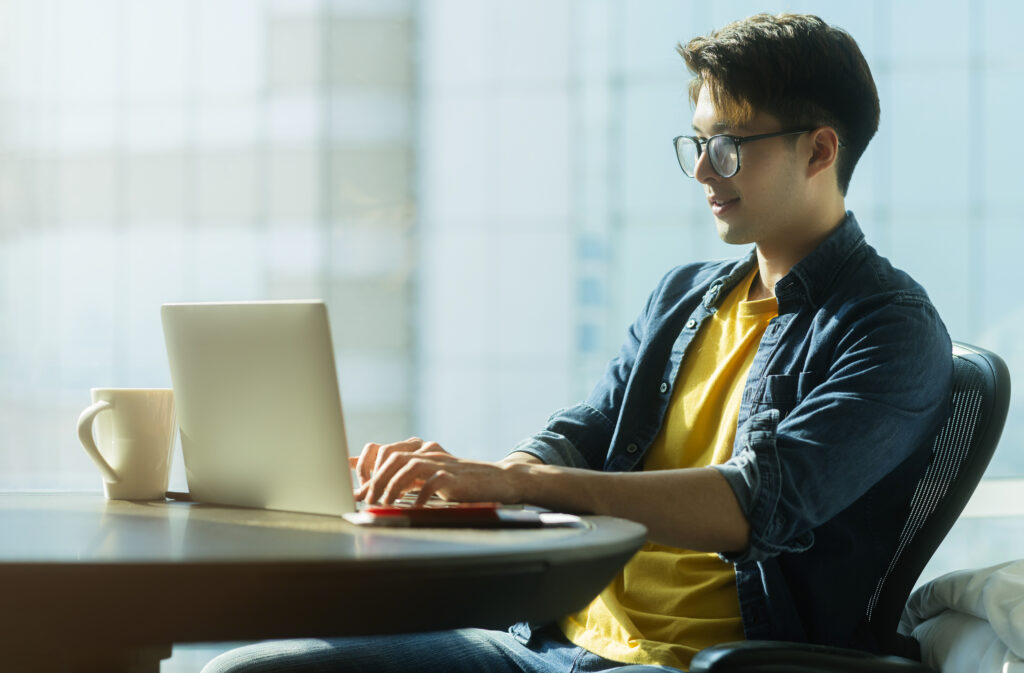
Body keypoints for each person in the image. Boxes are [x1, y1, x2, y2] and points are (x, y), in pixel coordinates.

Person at [203, 12, 951, 673]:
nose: (700, 169)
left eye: (727, 146)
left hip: (702, 660)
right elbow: (587, 432)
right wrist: (483, 478)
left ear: (819, 150)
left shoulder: (890, 327)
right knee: (248, 669)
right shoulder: (686, 295)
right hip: (551, 641)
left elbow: (757, 506)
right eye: (696, 141)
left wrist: (521, 487)